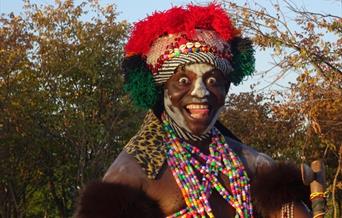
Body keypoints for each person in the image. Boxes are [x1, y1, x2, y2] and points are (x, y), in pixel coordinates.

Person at [75, 3, 316, 218]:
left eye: (213, 81)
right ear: (161, 89)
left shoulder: (253, 164)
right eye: (183, 81)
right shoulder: (132, 174)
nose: (201, 92)